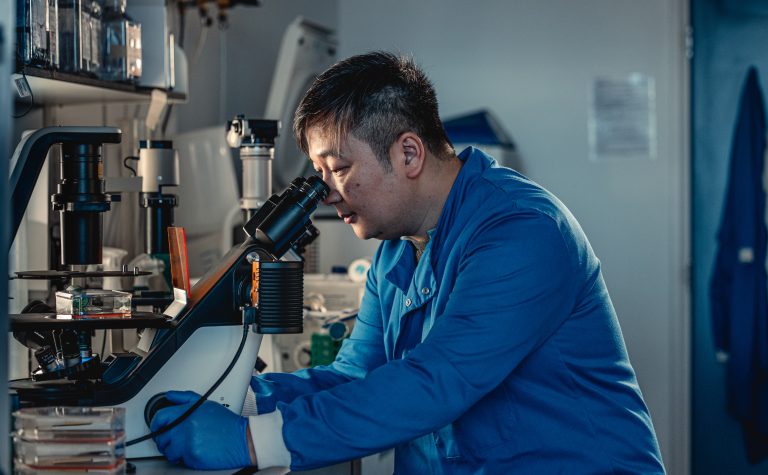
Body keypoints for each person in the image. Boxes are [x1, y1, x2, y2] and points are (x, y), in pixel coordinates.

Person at [151, 51, 666, 474]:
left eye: (339, 168)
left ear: (409, 154)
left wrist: (251, 440)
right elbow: (356, 377)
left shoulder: (524, 232)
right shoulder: (399, 249)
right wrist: (235, 397)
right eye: (320, 174)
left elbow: (438, 381)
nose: (327, 193)